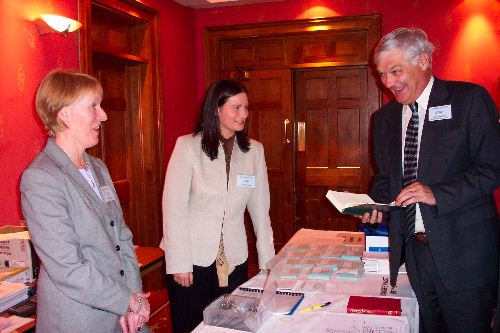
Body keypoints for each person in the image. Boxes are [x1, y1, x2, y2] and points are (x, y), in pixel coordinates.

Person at [362, 28, 500, 332]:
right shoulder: (384, 120)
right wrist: (375, 203)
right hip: (415, 251)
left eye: (395, 71)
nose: (387, 82)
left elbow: (492, 168)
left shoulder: (469, 100)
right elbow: (386, 178)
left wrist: (436, 193)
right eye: (382, 74)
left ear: (423, 60)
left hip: (465, 253)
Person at [20, 69, 150, 333]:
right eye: (93, 106)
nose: (102, 115)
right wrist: (126, 301)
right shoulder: (41, 178)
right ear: (64, 114)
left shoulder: (98, 167)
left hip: (120, 310)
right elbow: (68, 268)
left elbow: (121, 237)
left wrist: (133, 297)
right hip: (78, 319)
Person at [161, 79, 275, 333]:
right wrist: (179, 261)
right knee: (191, 326)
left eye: (246, 107)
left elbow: (260, 212)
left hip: (234, 258)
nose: (243, 114)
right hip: (191, 259)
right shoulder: (188, 146)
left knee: (230, 327)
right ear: (216, 109)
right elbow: (173, 208)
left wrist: (268, 263)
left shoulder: (254, 151)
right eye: (236, 107)